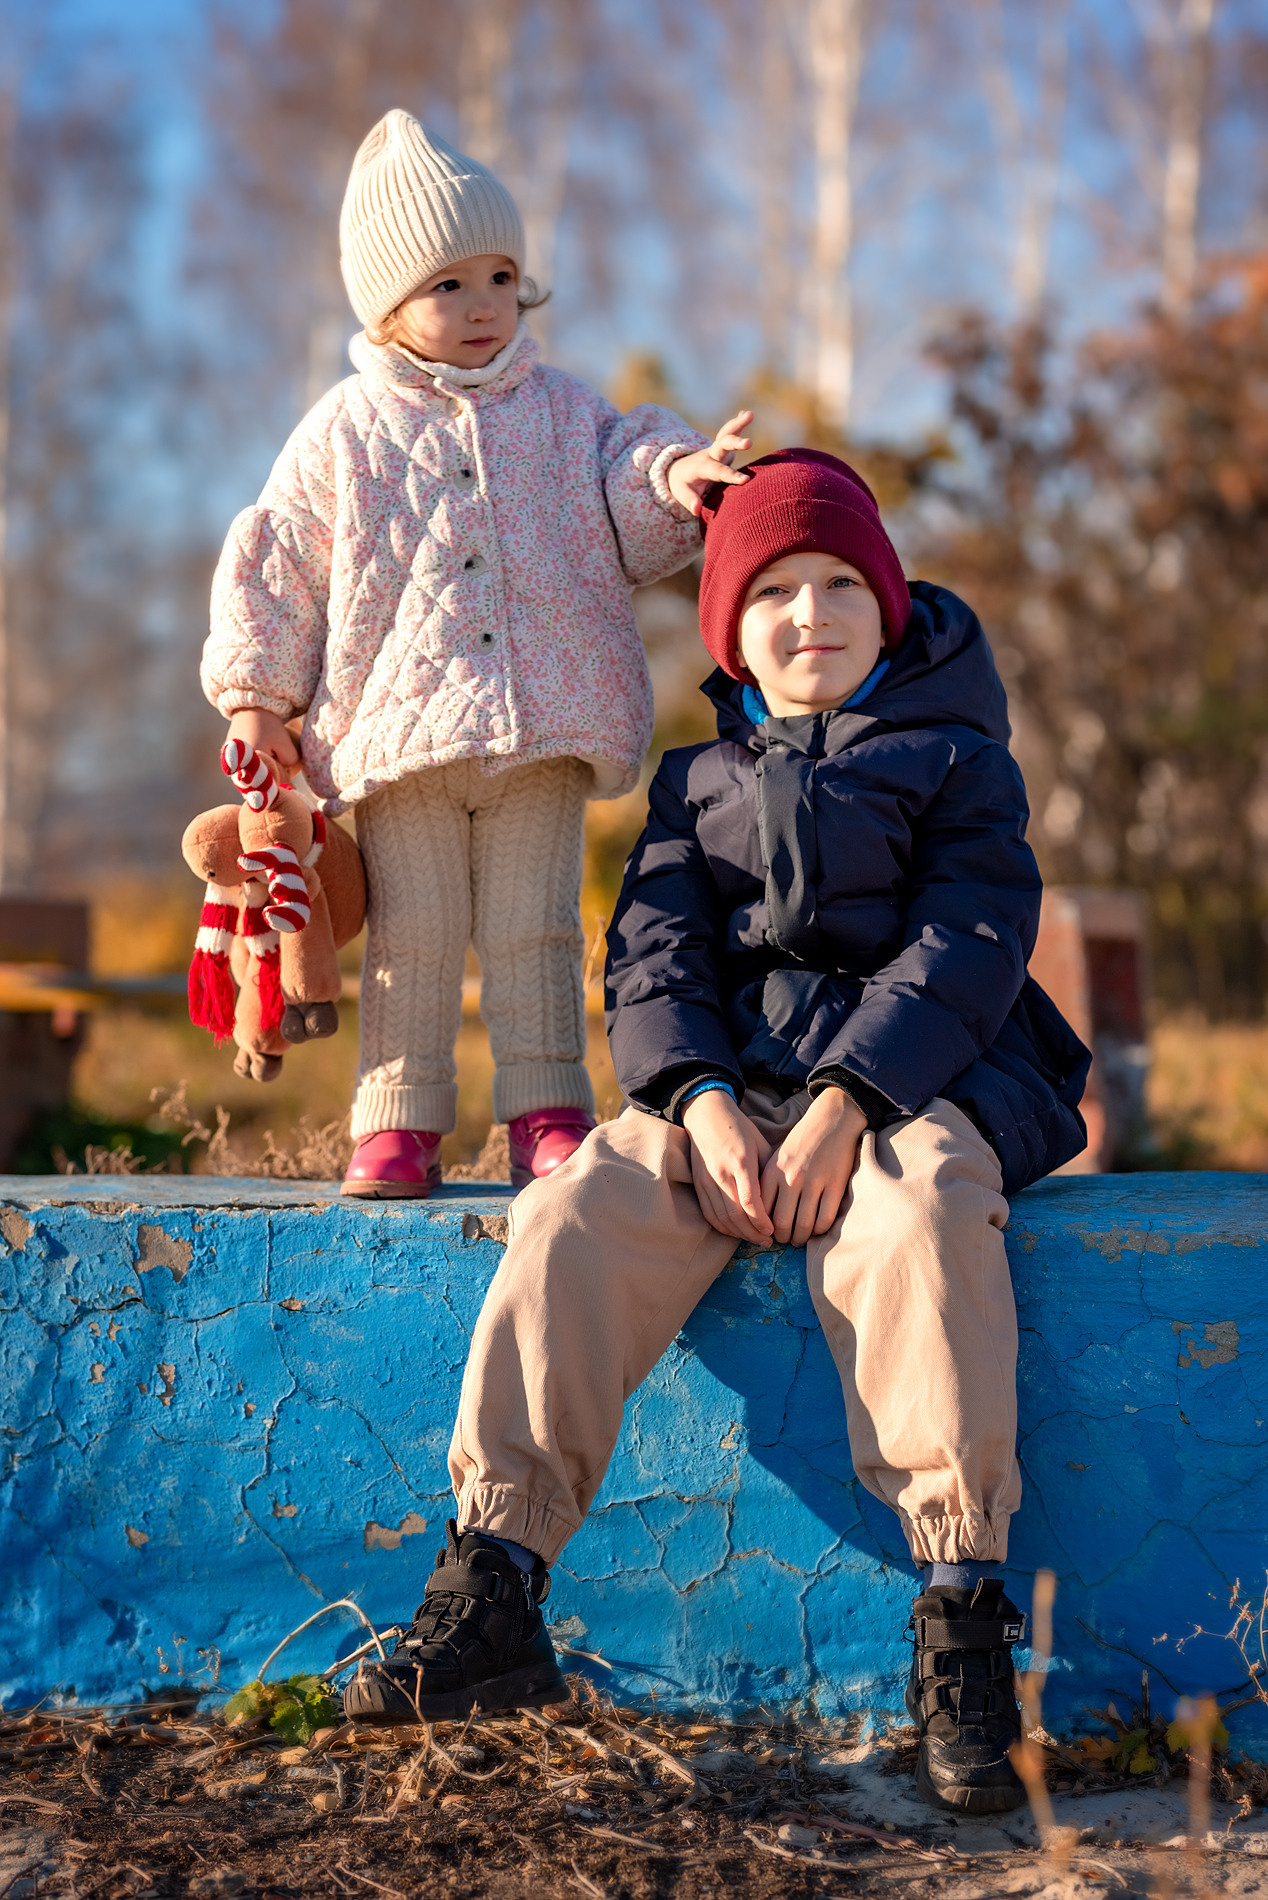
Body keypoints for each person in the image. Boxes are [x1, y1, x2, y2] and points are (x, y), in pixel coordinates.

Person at [341, 449, 1090, 1816]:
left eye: (839, 585)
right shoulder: (697, 783)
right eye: (775, 593)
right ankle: (499, 1580)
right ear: (731, 631)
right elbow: (653, 958)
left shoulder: (960, 761)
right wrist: (692, 1100)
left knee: (921, 1219)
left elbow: (969, 946)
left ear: (889, 603)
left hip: (919, 1082)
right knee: (571, 1210)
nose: (810, 613)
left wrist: (850, 1108)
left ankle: (965, 1609)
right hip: (730, 1086)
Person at [201, 109, 750, 1198]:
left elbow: (623, 471)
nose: (485, 303)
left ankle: (547, 1108)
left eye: (501, 275)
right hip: (402, 736)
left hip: (542, 725)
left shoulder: (561, 413)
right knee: (416, 933)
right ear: (386, 302)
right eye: (449, 284)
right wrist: (258, 697)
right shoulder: (343, 431)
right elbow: (281, 562)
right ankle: (394, 1121)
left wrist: (676, 479)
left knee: (533, 928)